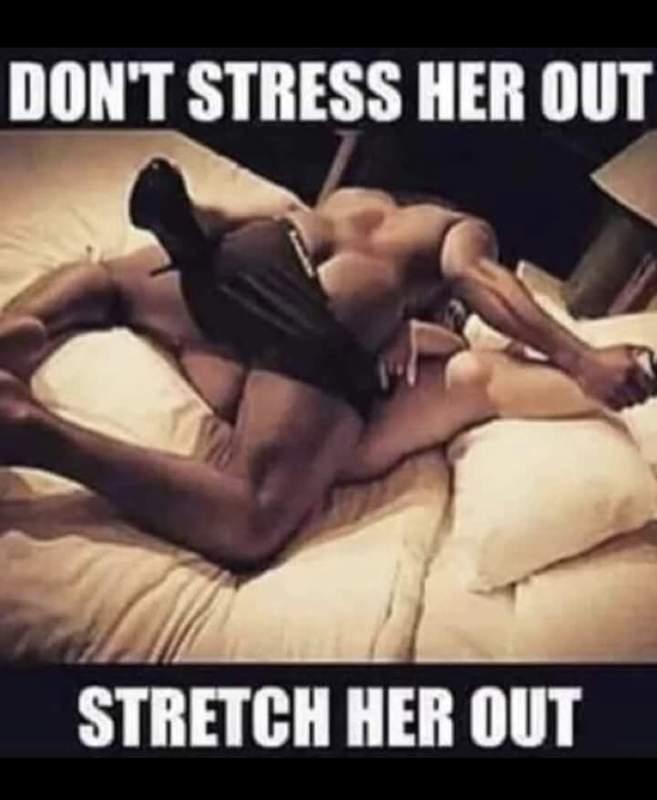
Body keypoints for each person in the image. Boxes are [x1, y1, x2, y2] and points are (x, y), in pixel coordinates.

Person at [0, 158, 654, 572]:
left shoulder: (351, 197)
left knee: (104, 282)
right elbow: (475, 276)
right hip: (346, 298)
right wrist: (581, 358)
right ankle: (31, 432)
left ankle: (22, 329)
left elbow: (273, 220)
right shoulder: (455, 227)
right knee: (253, 518)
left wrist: (211, 231)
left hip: (263, 248)